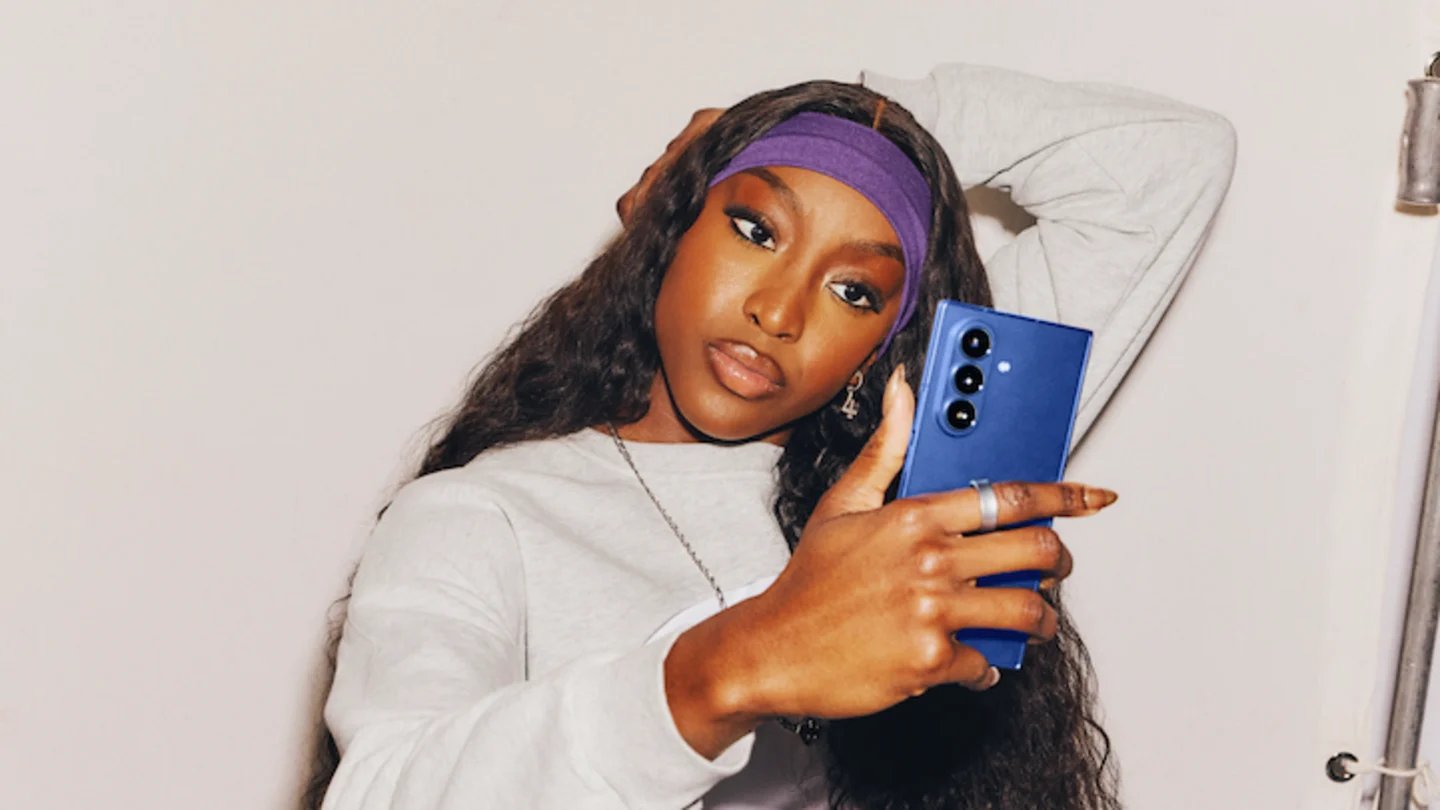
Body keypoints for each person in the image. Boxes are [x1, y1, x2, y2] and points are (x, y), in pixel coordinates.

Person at [301, 63, 1236, 810]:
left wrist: (865, 118)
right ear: (670, 231)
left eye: (854, 290)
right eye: (755, 229)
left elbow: (1172, 158)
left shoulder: (922, 491)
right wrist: (726, 669)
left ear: (883, 346)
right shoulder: (484, 516)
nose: (779, 312)